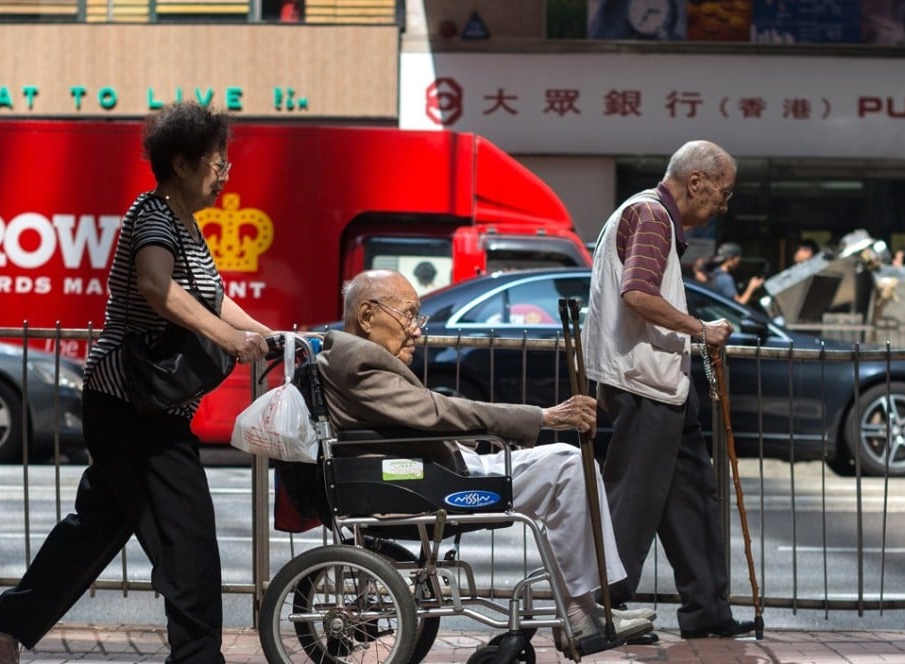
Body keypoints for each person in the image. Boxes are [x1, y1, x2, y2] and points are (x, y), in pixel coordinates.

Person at [0, 101, 274, 664]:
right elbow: (157, 287)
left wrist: (269, 336)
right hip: (133, 407)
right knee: (189, 540)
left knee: (98, 527)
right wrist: (231, 343)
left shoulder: (184, 225)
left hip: (139, 407)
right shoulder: (153, 217)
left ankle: (1, 627)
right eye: (217, 164)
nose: (224, 174)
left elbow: (212, 298)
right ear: (181, 164)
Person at [318, 269, 656, 654]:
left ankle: (580, 608)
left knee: (569, 463)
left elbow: (425, 414)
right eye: (408, 315)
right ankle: (579, 614)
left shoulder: (349, 354)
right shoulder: (360, 359)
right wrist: (542, 417)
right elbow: (435, 410)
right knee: (569, 465)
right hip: (426, 479)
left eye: (417, 317)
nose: (416, 330)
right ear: (366, 316)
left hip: (432, 468)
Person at [583, 140, 756, 639]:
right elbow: (638, 293)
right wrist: (700, 328)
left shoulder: (643, 213)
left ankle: (707, 611)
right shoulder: (653, 216)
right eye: (722, 195)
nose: (722, 207)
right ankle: (602, 609)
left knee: (692, 497)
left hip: (662, 382)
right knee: (634, 499)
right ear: (695, 182)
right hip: (645, 383)